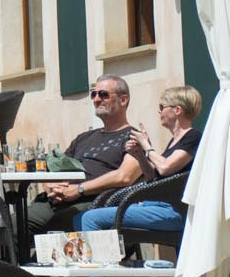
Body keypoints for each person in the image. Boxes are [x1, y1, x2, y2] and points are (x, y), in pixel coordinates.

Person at [26, 75, 149, 234]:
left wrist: (79, 189)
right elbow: (55, 168)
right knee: (11, 224)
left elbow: (124, 176)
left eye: (103, 94)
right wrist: (50, 186)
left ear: (123, 100)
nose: (96, 99)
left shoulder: (134, 137)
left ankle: (38, 259)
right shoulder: (84, 137)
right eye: (94, 94)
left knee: (57, 226)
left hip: (95, 204)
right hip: (57, 202)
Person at [79, 84, 201, 235]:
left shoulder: (193, 137)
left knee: (91, 218)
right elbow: (152, 177)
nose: (159, 111)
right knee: (86, 215)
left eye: (162, 107)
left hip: (173, 211)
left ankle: (103, 259)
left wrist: (146, 146)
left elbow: (165, 168)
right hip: (154, 205)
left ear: (177, 110)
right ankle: (113, 257)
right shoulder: (174, 141)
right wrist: (140, 155)